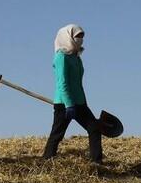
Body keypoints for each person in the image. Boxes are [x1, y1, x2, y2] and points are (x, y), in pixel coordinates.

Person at [43, 24, 103, 162]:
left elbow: (78, 84)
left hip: (79, 102)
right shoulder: (61, 57)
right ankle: (47, 160)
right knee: (57, 133)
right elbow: (62, 83)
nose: (80, 40)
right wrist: (69, 105)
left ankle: (97, 163)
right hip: (64, 103)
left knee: (94, 128)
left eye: (82, 37)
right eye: (77, 37)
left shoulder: (76, 57)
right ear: (68, 37)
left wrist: (83, 102)